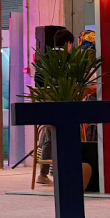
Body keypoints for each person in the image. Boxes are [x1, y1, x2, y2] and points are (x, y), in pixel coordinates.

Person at [35, 28, 76, 185]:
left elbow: (38, 83)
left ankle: (43, 173)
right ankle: (67, 172)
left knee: (49, 135)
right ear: (69, 44)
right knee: (68, 134)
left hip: (46, 106)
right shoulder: (70, 60)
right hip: (66, 106)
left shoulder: (43, 59)